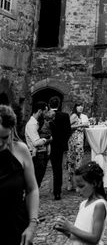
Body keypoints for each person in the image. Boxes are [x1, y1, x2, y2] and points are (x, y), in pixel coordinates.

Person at [0, 104, 39, 245]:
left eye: (4, 137)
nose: (0, 143)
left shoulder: (20, 150)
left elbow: (32, 189)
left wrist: (32, 225)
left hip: (17, 228)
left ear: (12, 130)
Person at [53, 161, 107, 245]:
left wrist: (70, 227)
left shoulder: (99, 205)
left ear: (94, 183)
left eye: (81, 186)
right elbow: (80, 236)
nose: (77, 190)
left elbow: (95, 238)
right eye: (76, 186)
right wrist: (65, 230)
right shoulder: (83, 204)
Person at [49, 96, 72, 200]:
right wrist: (63, 142)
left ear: (49, 105)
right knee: (58, 169)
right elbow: (68, 131)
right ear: (59, 104)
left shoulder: (47, 115)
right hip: (59, 145)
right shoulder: (65, 116)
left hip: (47, 144)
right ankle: (57, 192)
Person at [25, 101, 51, 187]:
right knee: (35, 182)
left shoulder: (37, 123)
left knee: (37, 182)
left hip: (40, 155)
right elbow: (36, 142)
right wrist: (47, 140)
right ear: (40, 111)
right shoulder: (32, 124)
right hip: (36, 156)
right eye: (45, 111)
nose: (46, 113)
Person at [67, 103, 90, 191]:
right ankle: (71, 183)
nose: (81, 107)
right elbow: (68, 126)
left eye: (82, 106)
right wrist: (81, 125)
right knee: (72, 161)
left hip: (80, 140)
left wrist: (85, 125)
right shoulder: (73, 116)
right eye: (79, 106)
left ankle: (77, 184)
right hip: (73, 140)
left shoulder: (82, 116)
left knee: (79, 162)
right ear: (75, 107)